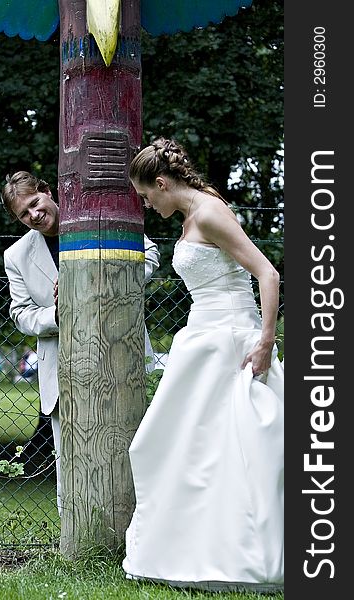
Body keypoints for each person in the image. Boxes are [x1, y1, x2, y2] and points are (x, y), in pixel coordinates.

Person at [122, 138, 284, 592]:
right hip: (201, 339)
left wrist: (266, 342)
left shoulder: (210, 213)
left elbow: (267, 274)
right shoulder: (194, 213)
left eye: (146, 196)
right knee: (180, 447)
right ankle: (185, 549)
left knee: (231, 451)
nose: (148, 205)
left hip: (230, 340)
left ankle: (240, 557)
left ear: (161, 183)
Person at [0, 171, 160, 513]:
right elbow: (21, 314)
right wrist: (58, 314)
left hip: (121, 351)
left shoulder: (94, 215)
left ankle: (145, 528)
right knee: (68, 455)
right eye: (23, 215)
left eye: (34, 203)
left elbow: (148, 253)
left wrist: (107, 286)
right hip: (62, 366)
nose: (34, 216)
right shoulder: (15, 256)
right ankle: (74, 535)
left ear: (46, 191)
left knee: (137, 445)